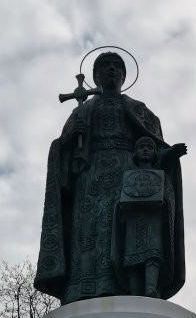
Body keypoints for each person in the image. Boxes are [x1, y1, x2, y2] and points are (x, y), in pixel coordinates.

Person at [35, 52, 186, 304]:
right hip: (90, 178)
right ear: (95, 76)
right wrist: (72, 138)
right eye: (105, 66)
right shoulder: (82, 111)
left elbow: (154, 148)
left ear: (125, 76)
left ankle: (132, 287)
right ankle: (85, 287)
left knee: (130, 232)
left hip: (129, 178)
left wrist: (168, 155)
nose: (112, 70)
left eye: (117, 66)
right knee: (90, 231)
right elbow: (61, 151)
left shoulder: (140, 111)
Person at [113, 136, 187, 297]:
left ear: (154, 153)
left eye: (149, 147)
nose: (145, 150)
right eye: (141, 147)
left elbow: (169, 197)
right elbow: (118, 200)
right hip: (133, 220)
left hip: (153, 220)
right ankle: (134, 292)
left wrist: (163, 203)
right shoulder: (128, 176)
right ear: (135, 153)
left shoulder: (161, 176)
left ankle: (150, 288)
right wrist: (123, 205)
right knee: (131, 259)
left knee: (152, 255)